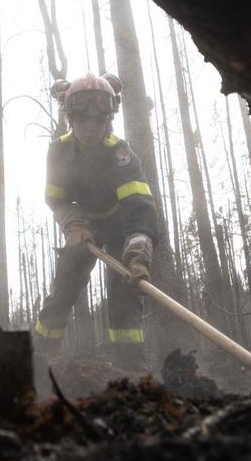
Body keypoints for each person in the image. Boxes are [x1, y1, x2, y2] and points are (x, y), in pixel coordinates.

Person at [34, 73, 159, 371]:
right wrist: (74, 225)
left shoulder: (121, 155)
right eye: (82, 122)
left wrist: (138, 255)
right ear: (71, 119)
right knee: (63, 287)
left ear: (108, 120)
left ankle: (131, 369)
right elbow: (56, 198)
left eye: (97, 122)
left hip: (120, 224)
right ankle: (38, 358)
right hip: (84, 224)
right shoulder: (59, 151)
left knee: (124, 293)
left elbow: (138, 208)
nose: (90, 129)